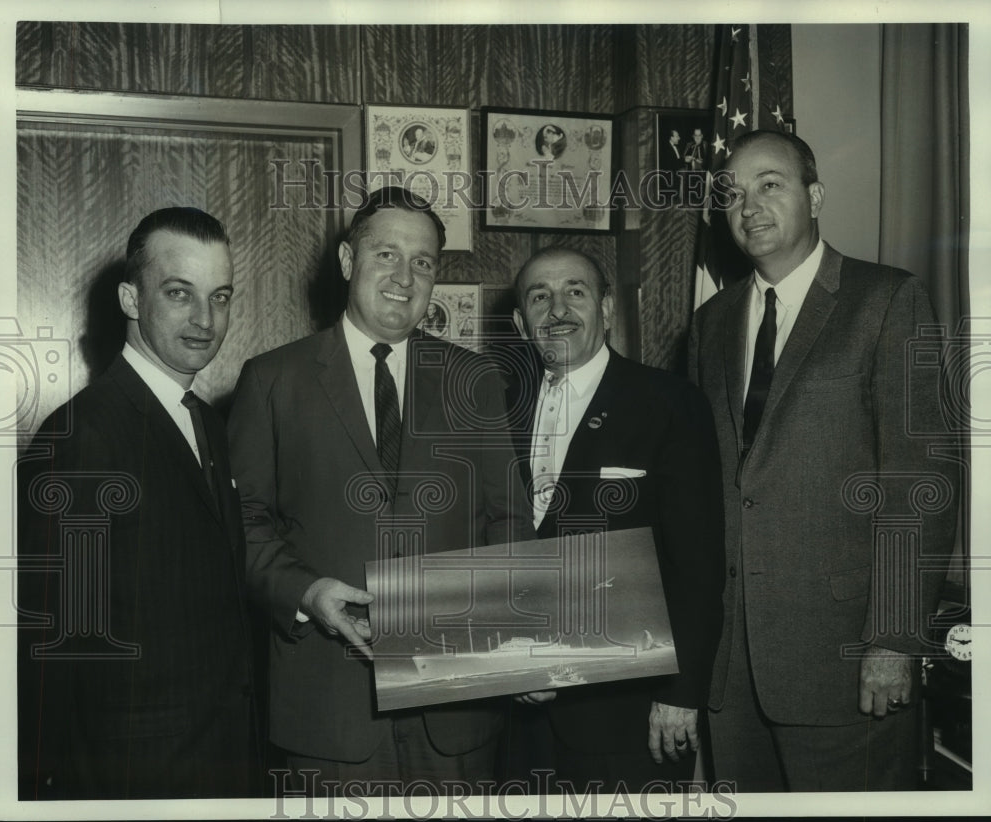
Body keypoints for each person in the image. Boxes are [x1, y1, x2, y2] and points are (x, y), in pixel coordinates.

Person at [227, 186, 533, 792]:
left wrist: (530, 640)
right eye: (385, 254)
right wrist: (306, 591)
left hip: (456, 710)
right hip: (326, 708)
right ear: (346, 261)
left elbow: (508, 522)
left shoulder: (474, 381)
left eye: (422, 262)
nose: (404, 276)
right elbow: (241, 521)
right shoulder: (272, 379)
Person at [688, 130, 958, 791]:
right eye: (732, 193)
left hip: (844, 661)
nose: (748, 205)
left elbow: (919, 482)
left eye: (769, 184)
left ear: (815, 195)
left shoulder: (886, 300)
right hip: (732, 667)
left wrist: (892, 640)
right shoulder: (711, 323)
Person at [17, 207, 255, 799]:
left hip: (222, 762)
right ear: (130, 298)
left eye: (220, 296)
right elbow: (52, 648)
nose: (206, 319)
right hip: (132, 777)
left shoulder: (207, 423)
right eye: (180, 293)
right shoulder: (81, 436)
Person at [503, 247, 725, 793]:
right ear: (518, 322)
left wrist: (680, 692)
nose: (558, 310)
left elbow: (698, 563)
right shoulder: (496, 408)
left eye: (574, 292)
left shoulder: (669, 403)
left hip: (631, 713)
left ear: (606, 308)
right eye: (540, 297)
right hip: (515, 712)